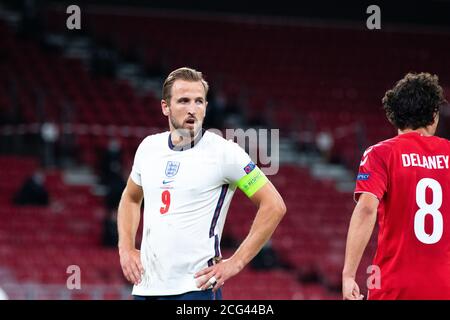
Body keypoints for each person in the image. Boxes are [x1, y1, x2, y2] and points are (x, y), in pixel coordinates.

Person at [117, 67, 286, 300]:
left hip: (195, 289)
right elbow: (131, 198)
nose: (192, 109)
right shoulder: (148, 148)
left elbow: (274, 205)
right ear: (165, 107)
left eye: (199, 101)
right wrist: (125, 248)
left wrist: (235, 263)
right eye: (183, 101)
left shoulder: (225, 153)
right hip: (146, 287)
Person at [342, 73, 449, 300]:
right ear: (433, 116)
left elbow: (367, 209)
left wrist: (349, 275)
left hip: (394, 285)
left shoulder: (380, 153)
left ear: (394, 116)